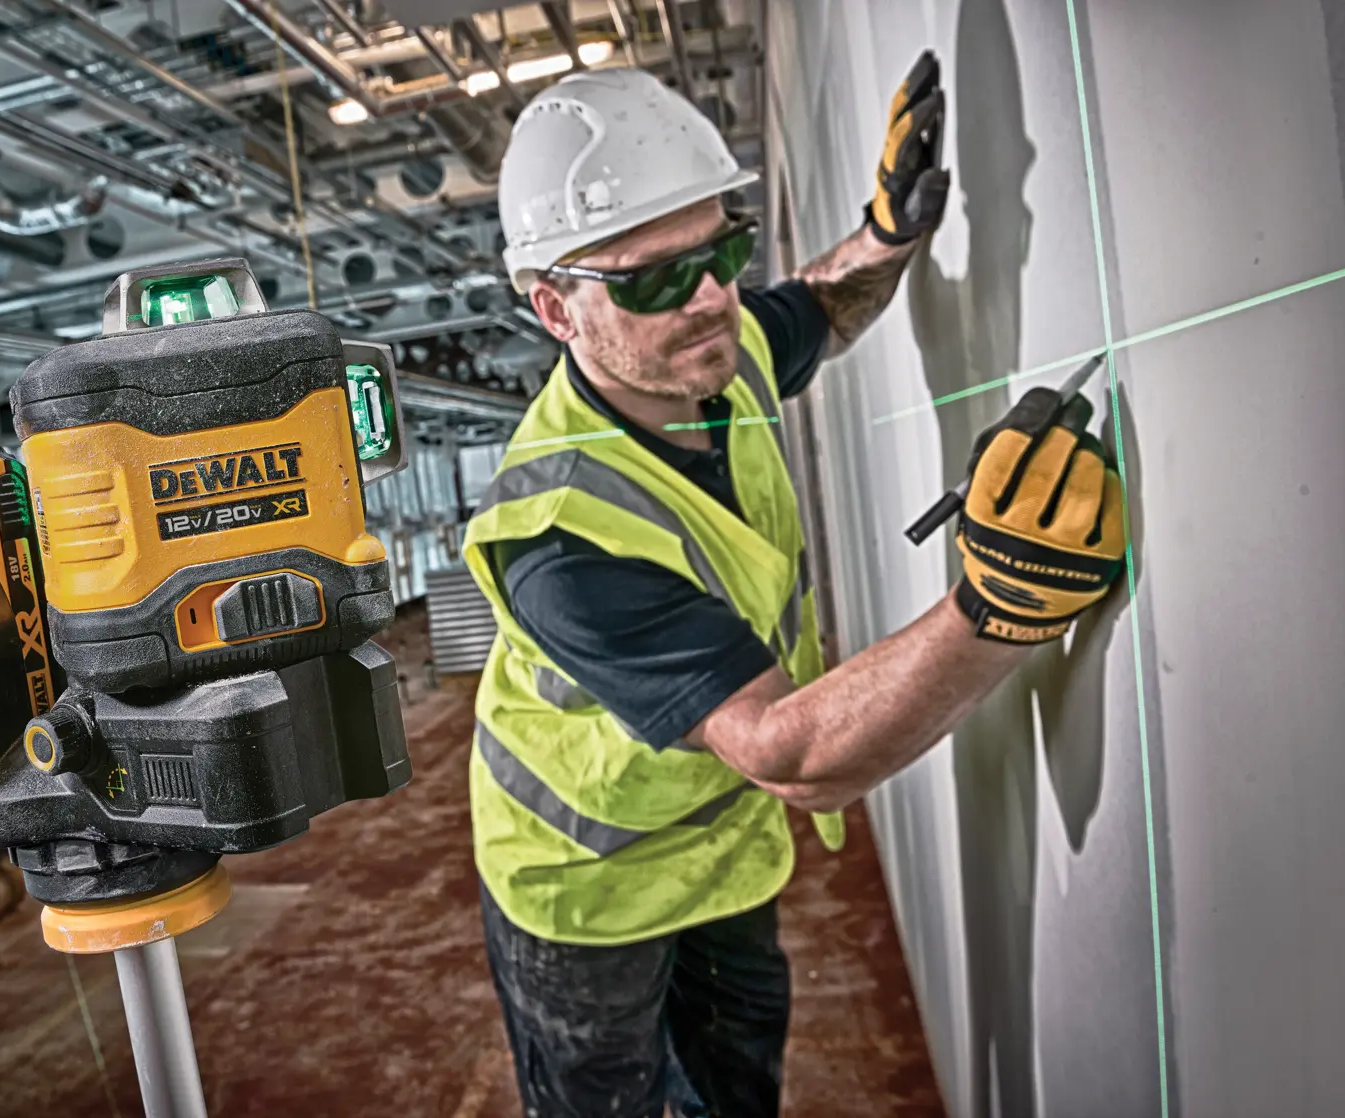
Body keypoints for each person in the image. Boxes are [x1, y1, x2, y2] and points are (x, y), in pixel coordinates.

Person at [462, 56, 1126, 1118]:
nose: (713, 297)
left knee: (737, 1092)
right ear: (554, 308)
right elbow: (792, 752)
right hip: (580, 886)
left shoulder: (713, 351)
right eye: (652, 279)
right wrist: (999, 607)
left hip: (719, 849)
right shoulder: (556, 534)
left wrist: (888, 229)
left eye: (722, 248)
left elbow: (817, 304)